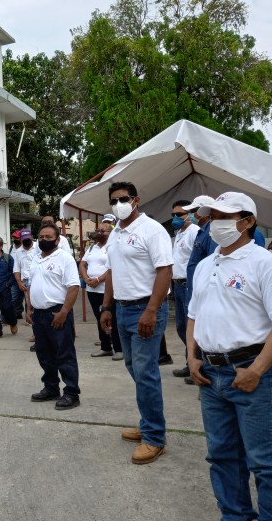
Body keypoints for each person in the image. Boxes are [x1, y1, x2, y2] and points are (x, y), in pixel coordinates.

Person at [186, 192, 272, 520]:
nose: (215, 223)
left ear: (247, 221)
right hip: (210, 374)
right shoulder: (206, 264)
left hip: (250, 373)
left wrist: (258, 370)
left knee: (263, 462)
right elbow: (194, 315)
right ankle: (234, 515)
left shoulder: (264, 263)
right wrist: (192, 357)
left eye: (224, 216)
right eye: (213, 216)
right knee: (222, 457)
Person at [100, 181, 173, 465]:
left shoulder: (152, 230)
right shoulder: (116, 232)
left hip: (146, 307)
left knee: (145, 372)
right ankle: (148, 424)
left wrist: (152, 310)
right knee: (134, 368)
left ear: (136, 200)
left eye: (124, 199)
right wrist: (107, 306)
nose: (119, 203)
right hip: (122, 308)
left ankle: (154, 436)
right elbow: (111, 272)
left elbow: (165, 271)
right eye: (114, 200)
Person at [27, 222, 82, 410]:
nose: (44, 240)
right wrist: (29, 308)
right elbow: (30, 285)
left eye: (48, 237)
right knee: (44, 354)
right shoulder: (36, 259)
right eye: (41, 237)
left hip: (58, 312)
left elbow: (74, 287)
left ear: (57, 240)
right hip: (38, 314)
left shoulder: (64, 258)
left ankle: (71, 393)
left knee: (64, 353)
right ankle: (51, 388)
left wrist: (64, 312)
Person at [180, 194, 217, 382]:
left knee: (200, 331)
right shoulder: (203, 231)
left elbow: (212, 263)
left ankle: (202, 368)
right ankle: (193, 363)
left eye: (195, 211)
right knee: (187, 328)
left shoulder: (210, 233)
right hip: (192, 289)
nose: (193, 214)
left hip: (200, 290)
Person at [79, 219, 123, 360]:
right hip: (92, 290)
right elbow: (82, 264)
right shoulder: (92, 248)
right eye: (98, 230)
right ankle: (105, 347)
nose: (99, 233)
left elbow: (112, 268)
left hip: (107, 290)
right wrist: (86, 279)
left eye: (102, 231)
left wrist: (98, 279)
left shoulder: (114, 246)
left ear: (110, 233)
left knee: (113, 319)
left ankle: (119, 349)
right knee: (99, 319)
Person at [170, 199, 200, 374]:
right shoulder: (180, 233)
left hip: (189, 285)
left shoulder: (194, 232)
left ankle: (196, 364)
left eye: (179, 214)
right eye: (173, 215)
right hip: (178, 285)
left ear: (189, 214)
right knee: (182, 327)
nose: (175, 217)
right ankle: (191, 361)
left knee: (191, 326)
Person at [13, 228, 37, 350]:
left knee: (38, 307)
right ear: (21, 240)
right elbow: (16, 268)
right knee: (29, 308)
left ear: (31, 237)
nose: (27, 241)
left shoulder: (38, 247)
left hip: (38, 281)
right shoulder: (18, 252)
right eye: (24, 240)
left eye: (28, 239)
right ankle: (35, 332)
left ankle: (41, 333)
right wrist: (19, 282)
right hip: (25, 282)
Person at [9, 230, 25, 318]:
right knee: (14, 296)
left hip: (24, 275)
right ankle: (16, 313)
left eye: (17, 237)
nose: (15, 239)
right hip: (13, 275)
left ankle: (29, 316)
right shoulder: (12, 247)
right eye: (14, 237)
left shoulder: (24, 247)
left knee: (25, 297)